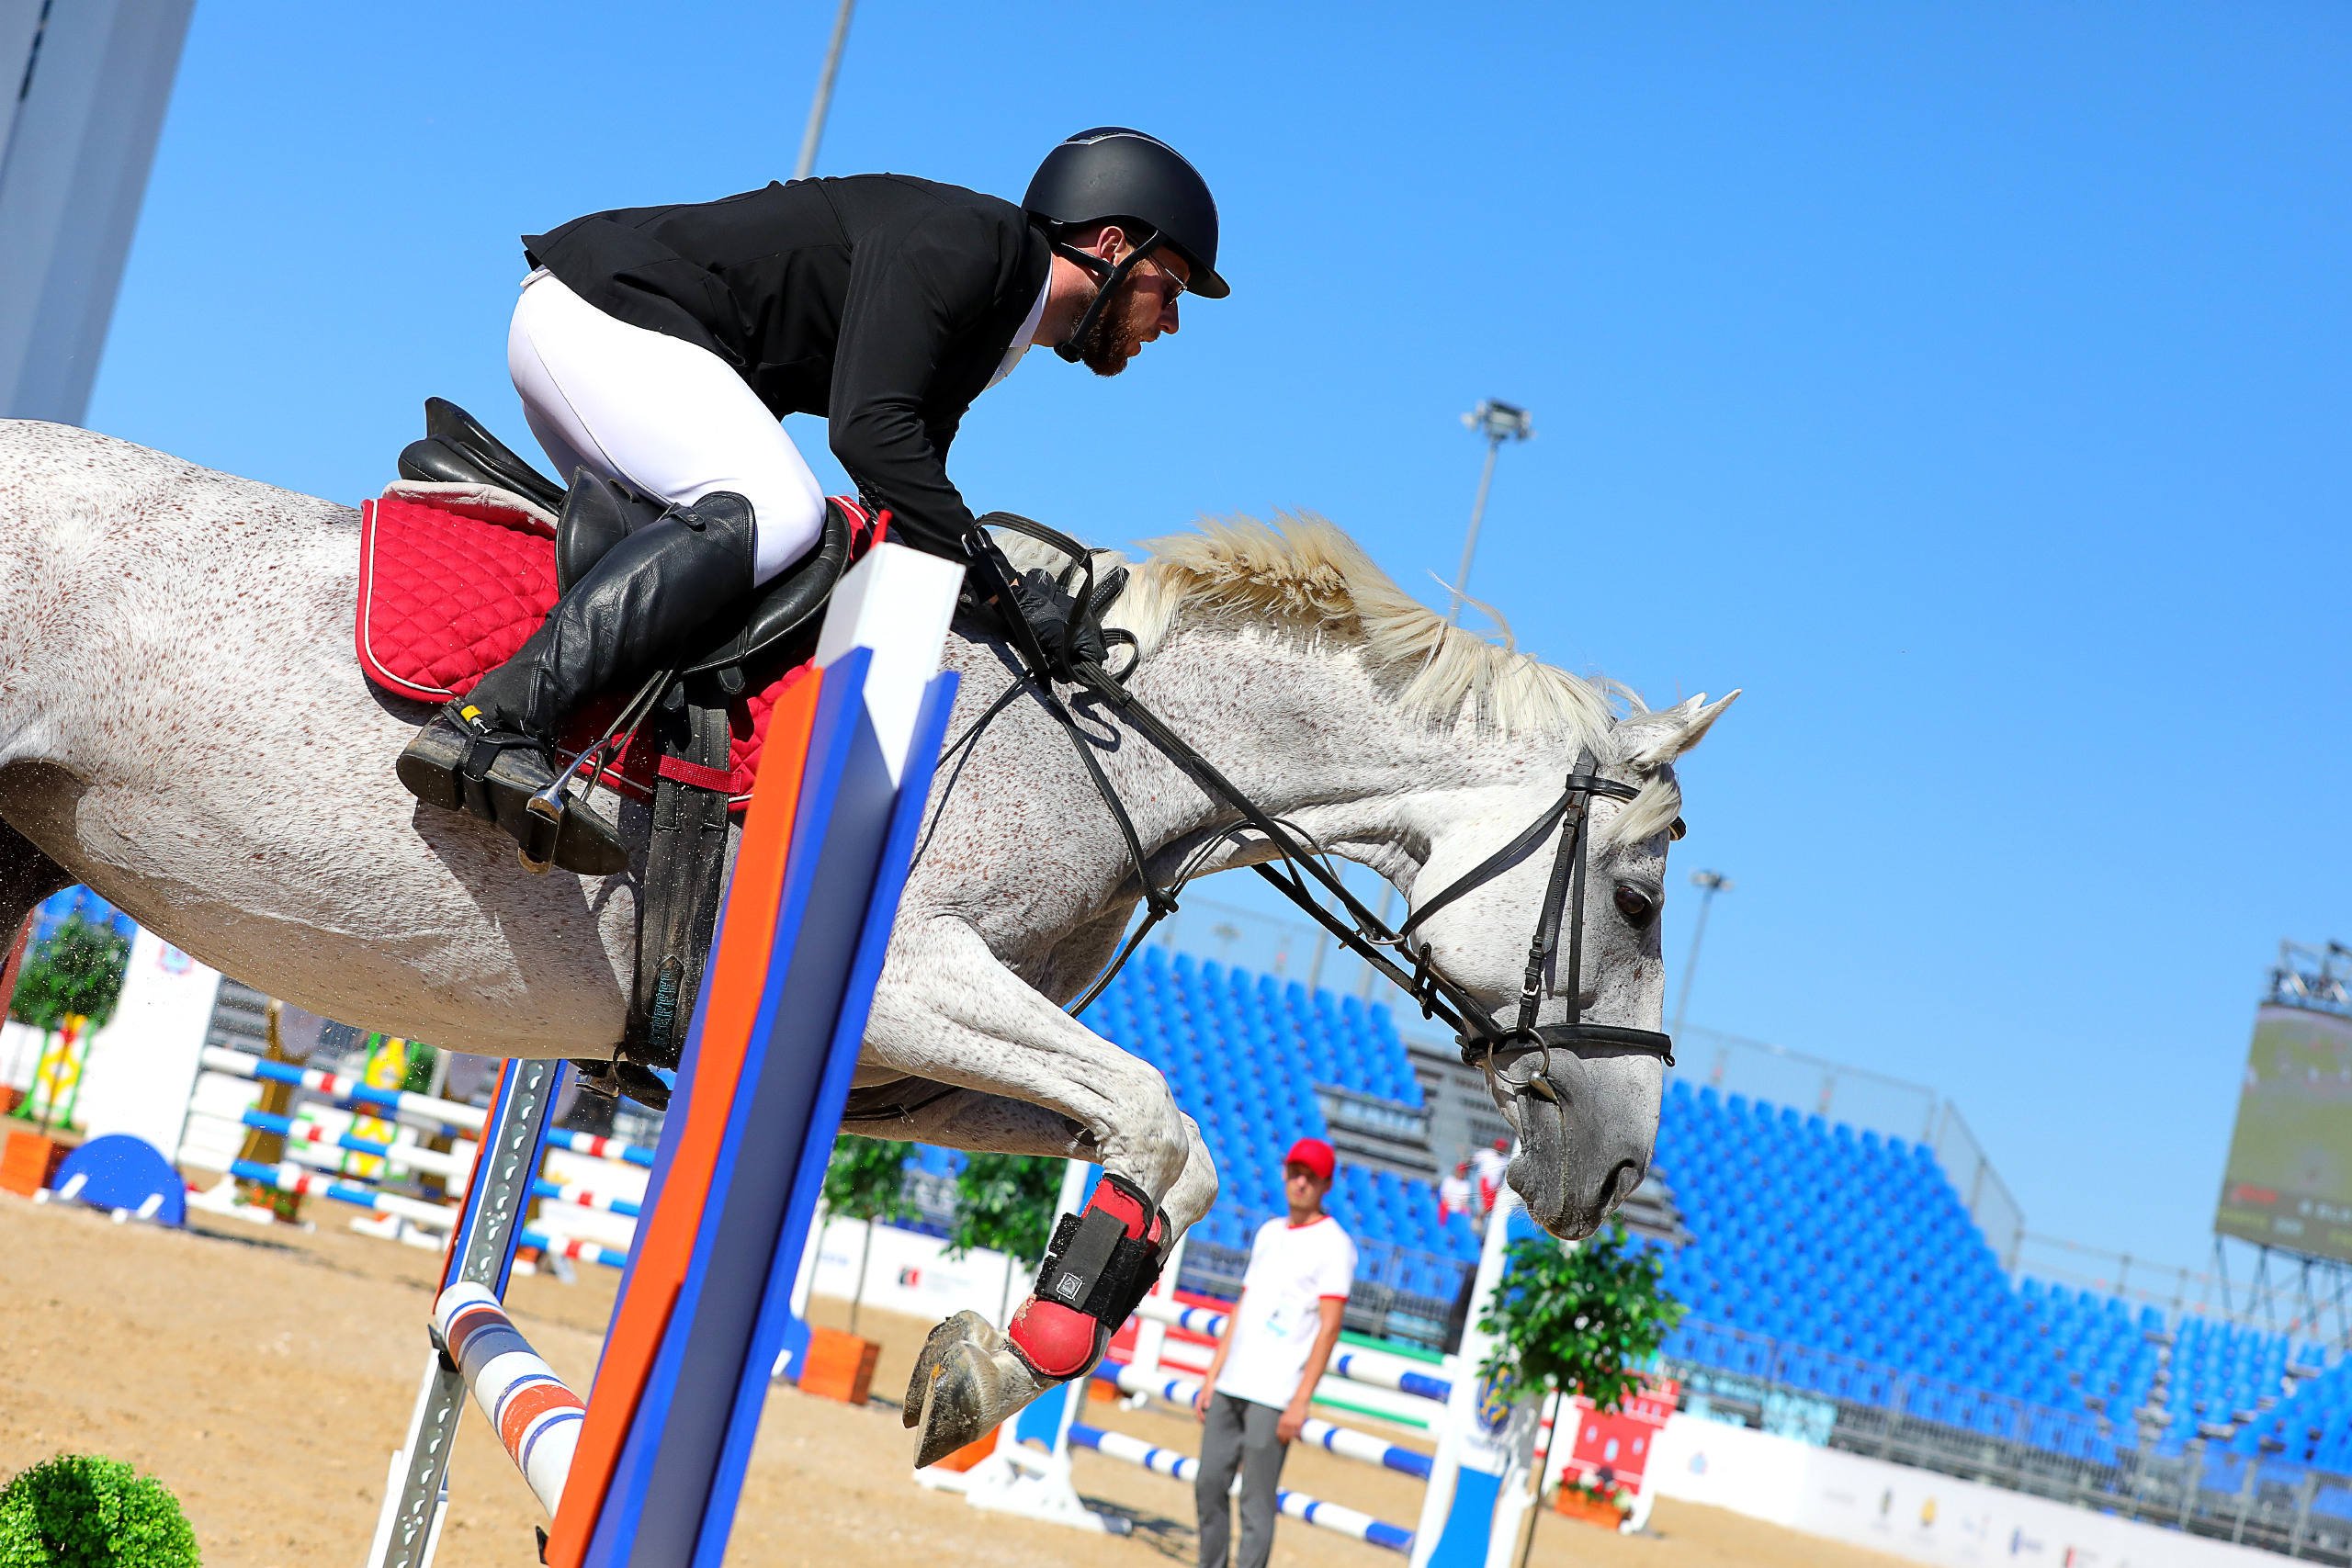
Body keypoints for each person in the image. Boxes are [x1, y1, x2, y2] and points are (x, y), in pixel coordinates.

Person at [395, 128, 1227, 873]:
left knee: (751, 564)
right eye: (1172, 285)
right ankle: (493, 721)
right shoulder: (974, 245)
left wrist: (1003, 609)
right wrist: (1002, 580)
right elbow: (869, 434)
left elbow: (908, 501)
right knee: (779, 509)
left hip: (622, 341)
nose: (1173, 320)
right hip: (604, 317)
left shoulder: (1000, 328)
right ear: (1112, 244)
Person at [1190, 1137, 1356, 1568]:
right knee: (1208, 1484)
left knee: (1256, 1503)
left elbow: (1329, 1327)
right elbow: (1243, 1308)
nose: (1300, 1182)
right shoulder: (1267, 1232)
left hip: (1276, 1392)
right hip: (1231, 1383)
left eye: (1311, 1176)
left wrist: (1300, 1400)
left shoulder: (1336, 1245)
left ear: (1325, 1185)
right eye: (1295, 1172)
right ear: (1284, 1174)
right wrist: (1212, 1375)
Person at [1437, 1158, 1472, 1225]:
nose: (1460, 1174)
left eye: (1462, 1172)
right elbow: (1444, 1197)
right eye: (1459, 1171)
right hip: (1447, 1206)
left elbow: (1464, 1202)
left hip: (1458, 1208)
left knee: (1467, 1212)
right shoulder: (1448, 1180)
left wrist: (1457, 1209)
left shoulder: (1466, 1184)